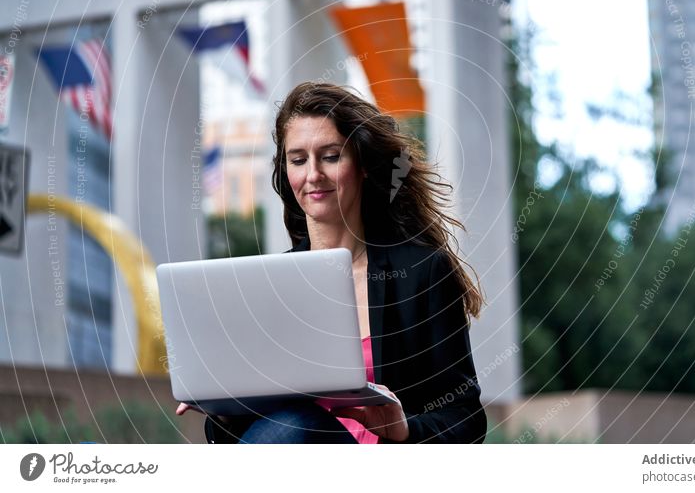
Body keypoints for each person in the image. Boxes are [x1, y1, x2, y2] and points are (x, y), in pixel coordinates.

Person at [177, 81, 487, 443]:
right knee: (291, 424)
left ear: (362, 165)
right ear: (286, 172)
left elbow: (466, 419)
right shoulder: (268, 287)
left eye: (330, 156)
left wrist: (403, 430)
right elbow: (250, 436)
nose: (313, 175)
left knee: (294, 426)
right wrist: (225, 414)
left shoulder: (420, 272)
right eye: (298, 160)